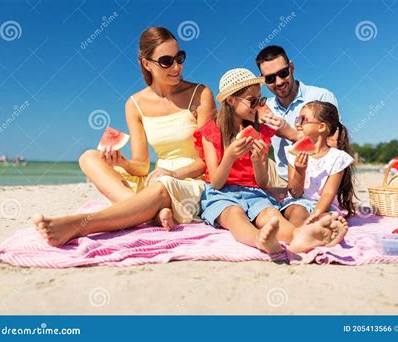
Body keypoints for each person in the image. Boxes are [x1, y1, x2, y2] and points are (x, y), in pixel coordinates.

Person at [32, 27, 216, 246]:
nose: (176, 67)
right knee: (88, 157)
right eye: (166, 61)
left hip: (190, 179)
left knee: (162, 185)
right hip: (157, 178)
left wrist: (173, 173)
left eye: (180, 57)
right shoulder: (134, 104)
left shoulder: (200, 94)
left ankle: (79, 225)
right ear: (146, 63)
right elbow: (141, 166)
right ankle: (146, 212)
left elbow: (209, 160)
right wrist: (122, 162)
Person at [194, 68, 347, 254]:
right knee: (235, 215)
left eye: (260, 100)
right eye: (252, 101)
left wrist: (258, 161)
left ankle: (301, 236)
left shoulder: (260, 131)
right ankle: (259, 240)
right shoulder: (210, 132)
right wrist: (229, 157)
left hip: (254, 192)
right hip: (221, 194)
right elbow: (217, 183)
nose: (257, 106)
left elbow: (263, 182)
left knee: (271, 214)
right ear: (230, 100)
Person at [255, 45, 339, 187]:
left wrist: (292, 135)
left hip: (320, 182)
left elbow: (336, 145)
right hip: (282, 182)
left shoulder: (321, 96)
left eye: (283, 73)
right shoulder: (265, 108)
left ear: (292, 67)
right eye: (270, 78)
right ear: (263, 80)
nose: (279, 82)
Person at [281, 101, 355, 228]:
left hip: (324, 206)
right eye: (297, 119)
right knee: (298, 212)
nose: (297, 124)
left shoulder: (337, 158)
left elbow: (328, 193)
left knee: (328, 219)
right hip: (297, 202)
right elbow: (294, 192)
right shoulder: (293, 153)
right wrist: (300, 171)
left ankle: (315, 233)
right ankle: (302, 235)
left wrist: (315, 215)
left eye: (303, 119)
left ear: (321, 127)